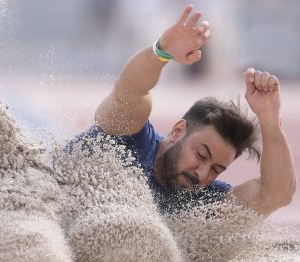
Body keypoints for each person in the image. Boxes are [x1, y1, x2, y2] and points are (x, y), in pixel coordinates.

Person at [71, 4, 296, 216]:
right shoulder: (124, 136)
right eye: (200, 155)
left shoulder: (204, 206)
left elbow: (276, 194)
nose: (201, 174)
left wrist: (270, 120)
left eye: (216, 169)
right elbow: (130, 90)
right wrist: (162, 52)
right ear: (178, 130)